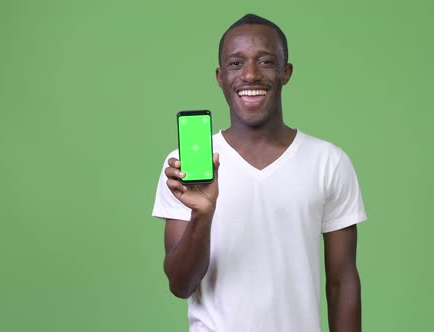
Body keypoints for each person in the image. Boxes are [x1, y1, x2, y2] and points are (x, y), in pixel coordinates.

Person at [152, 13, 367, 332]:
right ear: (220, 77)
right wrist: (202, 214)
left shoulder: (329, 162)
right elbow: (180, 285)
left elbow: (343, 282)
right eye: (236, 64)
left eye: (266, 61)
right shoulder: (185, 166)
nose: (250, 75)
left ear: (286, 72)